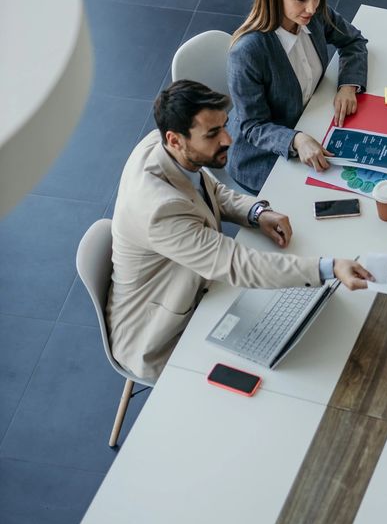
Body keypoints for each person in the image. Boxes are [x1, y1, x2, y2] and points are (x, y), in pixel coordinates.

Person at [106, 80, 371, 383]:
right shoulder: (158, 210)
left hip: (201, 289)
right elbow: (239, 264)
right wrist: (330, 267)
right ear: (175, 139)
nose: (228, 139)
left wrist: (257, 213)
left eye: (223, 127)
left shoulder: (163, 147)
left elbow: (209, 190)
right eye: (212, 134)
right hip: (161, 335)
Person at [227, 0, 368, 193]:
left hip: (314, 122)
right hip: (264, 154)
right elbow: (253, 126)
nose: (312, 8)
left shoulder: (315, 14)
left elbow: (353, 41)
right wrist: (296, 139)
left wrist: (347, 86)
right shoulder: (248, 52)